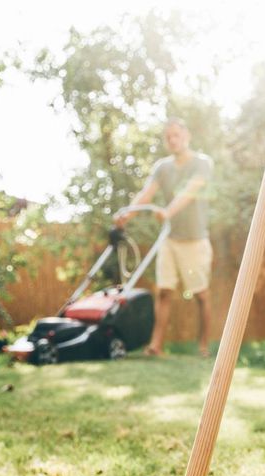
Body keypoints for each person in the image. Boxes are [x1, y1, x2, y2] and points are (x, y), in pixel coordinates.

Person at [115, 118, 214, 357]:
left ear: (186, 136)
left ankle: (203, 346)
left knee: (200, 294)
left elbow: (190, 192)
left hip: (194, 239)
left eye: (176, 135)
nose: (172, 140)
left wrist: (169, 211)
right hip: (170, 239)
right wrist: (126, 215)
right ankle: (155, 345)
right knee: (164, 291)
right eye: (168, 137)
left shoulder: (202, 163)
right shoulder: (163, 167)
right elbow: (146, 193)